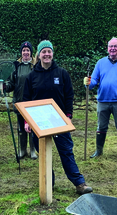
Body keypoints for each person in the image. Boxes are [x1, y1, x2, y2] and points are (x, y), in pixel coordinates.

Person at [23, 40, 93, 195]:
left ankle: (79, 183)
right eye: (44, 51)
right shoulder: (31, 76)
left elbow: (69, 95)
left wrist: (68, 116)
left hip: (59, 121)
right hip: (38, 122)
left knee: (66, 151)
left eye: (49, 51)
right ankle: (48, 181)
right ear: (39, 55)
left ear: (52, 54)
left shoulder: (61, 73)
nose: (46, 54)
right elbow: (26, 99)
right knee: (44, 153)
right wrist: (27, 120)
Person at [84, 37, 117, 161]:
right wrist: (88, 82)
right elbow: (94, 80)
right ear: (107, 48)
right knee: (101, 127)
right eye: (111, 46)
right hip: (103, 101)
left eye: (116, 46)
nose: (113, 49)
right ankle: (98, 151)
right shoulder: (100, 63)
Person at [5, 41, 38, 160]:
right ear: (21, 52)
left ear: (31, 52)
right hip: (19, 101)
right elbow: (11, 83)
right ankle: (22, 149)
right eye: (24, 50)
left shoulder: (35, 66)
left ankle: (33, 150)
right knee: (20, 127)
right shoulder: (16, 66)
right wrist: (4, 86)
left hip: (32, 102)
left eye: (28, 50)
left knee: (32, 127)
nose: (25, 52)